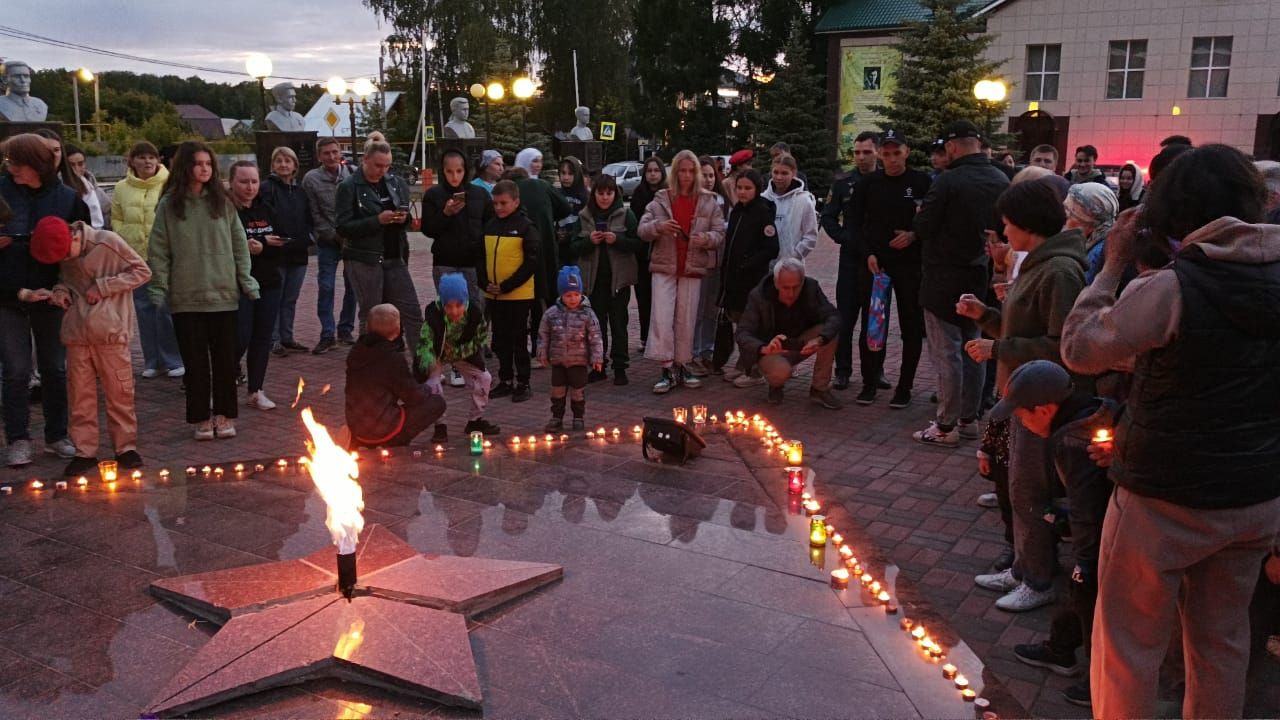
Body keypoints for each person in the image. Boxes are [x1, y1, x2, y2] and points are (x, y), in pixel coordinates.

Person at [1060, 144, 1280, 719]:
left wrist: (1110, 266)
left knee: (1129, 646)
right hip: (1255, 495)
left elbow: (1081, 350)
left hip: (1165, 496)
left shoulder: (1172, 287)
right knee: (1222, 644)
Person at [959, 179, 1087, 611]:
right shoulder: (1038, 263)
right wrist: (988, 317)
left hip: (1040, 399)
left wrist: (999, 349)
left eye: (1008, 224)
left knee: (1030, 488)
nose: (1004, 233)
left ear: (1029, 226)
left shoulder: (1060, 271)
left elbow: (1062, 345)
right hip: (1020, 393)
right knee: (1017, 484)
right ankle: (1021, 566)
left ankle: (1038, 577)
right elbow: (1023, 327)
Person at [991, 360, 1116, 709]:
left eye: (1022, 415)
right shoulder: (1092, 413)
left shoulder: (1072, 441)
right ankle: (1061, 649)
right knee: (1075, 596)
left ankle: (1100, 686)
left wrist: (1086, 561)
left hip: (1108, 537)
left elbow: (1088, 507)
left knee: (1092, 600)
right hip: (1099, 528)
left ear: (1044, 410)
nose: (1020, 423)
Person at [148, 141, 259, 441]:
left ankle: (224, 416)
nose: (204, 169)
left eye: (208, 163)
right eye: (198, 163)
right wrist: (159, 287)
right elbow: (158, 250)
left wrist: (246, 280)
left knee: (225, 361)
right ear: (185, 166)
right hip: (186, 296)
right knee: (195, 363)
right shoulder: (169, 205)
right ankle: (200, 418)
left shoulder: (222, 203)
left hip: (223, 293)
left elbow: (239, 243)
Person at [912, 120, 1009, 446]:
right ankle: (969, 418)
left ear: (953, 146)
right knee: (973, 348)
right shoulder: (1000, 178)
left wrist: (919, 216)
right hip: (978, 272)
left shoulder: (948, 181)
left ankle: (946, 424)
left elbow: (924, 226)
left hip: (942, 275)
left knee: (947, 353)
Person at [32, 217, 150, 476]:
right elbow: (65, 280)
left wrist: (104, 286)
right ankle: (85, 451)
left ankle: (125, 448)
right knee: (79, 396)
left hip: (110, 333)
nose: (65, 259)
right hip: (77, 334)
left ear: (73, 237)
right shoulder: (64, 252)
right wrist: (61, 292)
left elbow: (142, 271)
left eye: (64, 254)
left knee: (119, 393)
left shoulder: (108, 243)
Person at [0, 133, 88, 466]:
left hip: (52, 294)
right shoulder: (2, 190)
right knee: (16, 370)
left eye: (14, 163)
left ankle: (56, 435)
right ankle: (19, 439)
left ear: (33, 163)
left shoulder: (66, 197)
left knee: (54, 367)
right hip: (7, 296)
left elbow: (83, 247)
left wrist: (65, 287)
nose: (10, 169)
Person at [848, 129, 931, 408]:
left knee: (911, 325)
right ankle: (869, 383)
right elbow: (854, 225)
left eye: (897, 153)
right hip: (876, 266)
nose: (892, 159)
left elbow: (933, 220)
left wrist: (913, 234)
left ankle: (904, 387)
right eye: (886, 153)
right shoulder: (868, 184)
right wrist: (868, 253)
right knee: (873, 324)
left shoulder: (921, 182)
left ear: (906, 152)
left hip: (909, 265)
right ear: (880, 154)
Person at [638, 149, 725, 394]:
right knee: (662, 317)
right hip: (665, 265)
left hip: (691, 266)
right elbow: (642, 229)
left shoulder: (709, 200)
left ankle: (683, 363)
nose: (686, 176)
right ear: (675, 172)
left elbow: (719, 233)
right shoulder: (662, 198)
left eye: (690, 171)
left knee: (686, 319)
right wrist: (659, 226)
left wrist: (705, 238)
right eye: (682, 171)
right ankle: (666, 367)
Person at [336, 140, 422, 358]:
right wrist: (377, 220)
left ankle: (424, 365)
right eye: (377, 165)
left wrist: (404, 218)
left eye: (387, 166)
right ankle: (371, 365)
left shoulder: (396, 182)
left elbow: (406, 216)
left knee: (411, 311)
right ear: (365, 160)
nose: (382, 171)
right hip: (365, 259)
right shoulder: (349, 187)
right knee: (371, 313)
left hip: (394, 255)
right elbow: (342, 227)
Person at [112, 141, 183, 378]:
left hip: (163, 255)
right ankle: (152, 360)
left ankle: (173, 359)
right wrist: (126, 237)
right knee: (143, 309)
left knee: (163, 306)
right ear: (132, 161)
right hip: (135, 255)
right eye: (141, 157)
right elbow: (117, 218)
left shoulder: (170, 183)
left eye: (151, 157)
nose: (147, 162)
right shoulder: (121, 187)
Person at [734, 258, 841, 409]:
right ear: (776, 283)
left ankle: (819, 389)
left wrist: (820, 339)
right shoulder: (759, 296)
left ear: (802, 281)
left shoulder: (811, 287)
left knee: (830, 333)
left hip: (801, 343)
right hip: (771, 350)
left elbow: (833, 316)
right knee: (781, 372)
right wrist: (764, 348)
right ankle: (775, 384)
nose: (791, 293)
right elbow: (742, 333)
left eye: (796, 287)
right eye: (785, 288)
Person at [570, 174, 639, 386]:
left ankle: (620, 368)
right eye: (601, 193)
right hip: (593, 282)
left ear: (615, 194)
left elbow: (638, 244)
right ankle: (598, 366)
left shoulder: (626, 214)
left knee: (619, 325)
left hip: (618, 281)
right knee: (596, 327)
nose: (605, 197)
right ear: (594, 194)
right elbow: (572, 247)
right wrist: (589, 242)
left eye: (609, 193)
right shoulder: (584, 216)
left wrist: (618, 240)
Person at [345, 303, 446, 448]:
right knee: (437, 403)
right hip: (384, 430)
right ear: (397, 331)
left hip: (356, 427)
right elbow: (413, 396)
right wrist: (430, 385)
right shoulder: (392, 359)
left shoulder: (356, 351)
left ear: (368, 327)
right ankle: (395, 441)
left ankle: (363, 439)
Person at [414, 273, 500, 442]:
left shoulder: (474, 313)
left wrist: (457, 353)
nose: (454, 311)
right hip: (436, 353)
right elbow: (424, 344)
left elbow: (480, 339)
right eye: (448, 306)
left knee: (484, 379)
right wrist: (429, 362)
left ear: (465, 301)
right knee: (433, 385)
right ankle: (440, 425)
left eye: (459, 305)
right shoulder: (433, 314)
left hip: (462, 351)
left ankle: (475, 421)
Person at [229, 161, 283, 411]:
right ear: (231, 182)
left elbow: (285, 241)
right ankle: (224, 382)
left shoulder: (268, 209)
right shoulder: (227, 212)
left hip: (269, 283)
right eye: (244, 181)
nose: (250, 187)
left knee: (262, 338)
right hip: (238, 284)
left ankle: (256, 389)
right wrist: (258, 243)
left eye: (253, 181)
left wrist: (265, 245)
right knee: (240, 337)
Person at [479, 180, 538, 403]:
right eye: (495, 203)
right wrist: (486, 284)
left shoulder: (526, 227)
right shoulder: (490, 225)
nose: (499, 208)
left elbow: (531, 264)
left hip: (518, 295)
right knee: (500, 339)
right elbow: (480, 258)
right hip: (494, 294)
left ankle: (523, 382)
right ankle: (504, 380)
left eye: (504, 203)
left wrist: (506, 286)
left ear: (516, 201)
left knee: (518, 340)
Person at [717, 169, 778, 384]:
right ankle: (743, 364)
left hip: (751, 280)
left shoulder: (762, 213)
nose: (742, 192)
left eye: (747, 188)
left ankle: (755, 371)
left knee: (751, 326)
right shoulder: (737, 212)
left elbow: (772, 248)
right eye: (739, 188)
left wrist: (747, 263)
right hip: (733, 279)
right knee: (739, 324)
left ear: (757, 189)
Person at [511, 148, 573, 353]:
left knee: (525, 298)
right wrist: (547, 217)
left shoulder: (511, 187)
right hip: (544, 247)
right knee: (544, 293)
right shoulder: (542, 186)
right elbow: (565, 207)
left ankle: (526, 344)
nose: (537, 165)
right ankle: (546, 343)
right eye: (534, 161)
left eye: (540, 161)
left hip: (516, 249)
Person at [302, 136, 357, 353]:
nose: (332, 156)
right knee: (326, 286)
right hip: (327, 241)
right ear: (319, 156)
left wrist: (350, 234)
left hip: (352, 239)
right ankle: (327, 333)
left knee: (352, 285)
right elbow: (314, 214)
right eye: (326, 153)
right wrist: (334, 236)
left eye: (335, 152)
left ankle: (345, 329)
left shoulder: (352, 174)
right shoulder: (311, 179)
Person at [537, 266, 604, 431]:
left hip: (578, 361)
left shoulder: (588, 314)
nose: (573, 299)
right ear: (561, 295)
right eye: (568, 295)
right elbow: (543, 335)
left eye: (576, 294)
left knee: (578, 391)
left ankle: (578, 416)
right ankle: (556, 417)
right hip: (558, 360)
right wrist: (542, 353)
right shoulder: (551, 314)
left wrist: (597, 358)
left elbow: (596, 337)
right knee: (557, 391)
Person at [260, 147, 311, 356]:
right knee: (275, 297)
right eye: (279, 161)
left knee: (290, 298)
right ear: (272, 165)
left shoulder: (300, 191)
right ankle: (272, 339)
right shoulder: (267, 188)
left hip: (298, 252)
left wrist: (309, 237)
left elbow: (307, 216)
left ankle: (287, 337)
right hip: (276, 252)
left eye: (287, 161)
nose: (283, 165)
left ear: (295, 166)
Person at [688, 154, 731, 376]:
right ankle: (693, 353)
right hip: (698, 264)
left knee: (711, 311)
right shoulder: (693, 200)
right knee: (695, 311)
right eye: (703, 175)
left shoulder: (723, 202)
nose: (708, 179)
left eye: (712, 175)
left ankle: (707, 351)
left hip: (718, 264)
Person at [629, 156, 666, 352]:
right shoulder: (638, 194)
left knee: (660, 298)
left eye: (656, 170)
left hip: (662, 253)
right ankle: (645, 337)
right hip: (643, 255)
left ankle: (659, 337)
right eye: (649, 171)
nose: (652, 174)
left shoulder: (668, 194)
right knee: (643, 297)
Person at [761, 154, 818, 263]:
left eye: (784, 173)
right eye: (776, 172)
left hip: (792, 266)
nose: (779, 177)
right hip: (765, 265)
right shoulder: (763, 199)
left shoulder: (804, 200)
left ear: (793, 173)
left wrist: (794, 256)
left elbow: (810, 236)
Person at [1064, 183, 1119, 284]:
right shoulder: (1093, 241)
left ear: (1087, 217)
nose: (1064, 218)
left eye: (1070, 213)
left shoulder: (1099, 251)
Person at [62, 144, 110, 230]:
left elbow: (108, 212)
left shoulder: (93, 188)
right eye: (72, 165)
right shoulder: (59, 189)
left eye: (80, 164)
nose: (76, 168)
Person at [556, 156, 588, 264]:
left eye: (570, 174)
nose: (566, 177)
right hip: (560, 248)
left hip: (578, 248)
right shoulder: (556, 194)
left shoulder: (584, 196)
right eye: (563, 173)